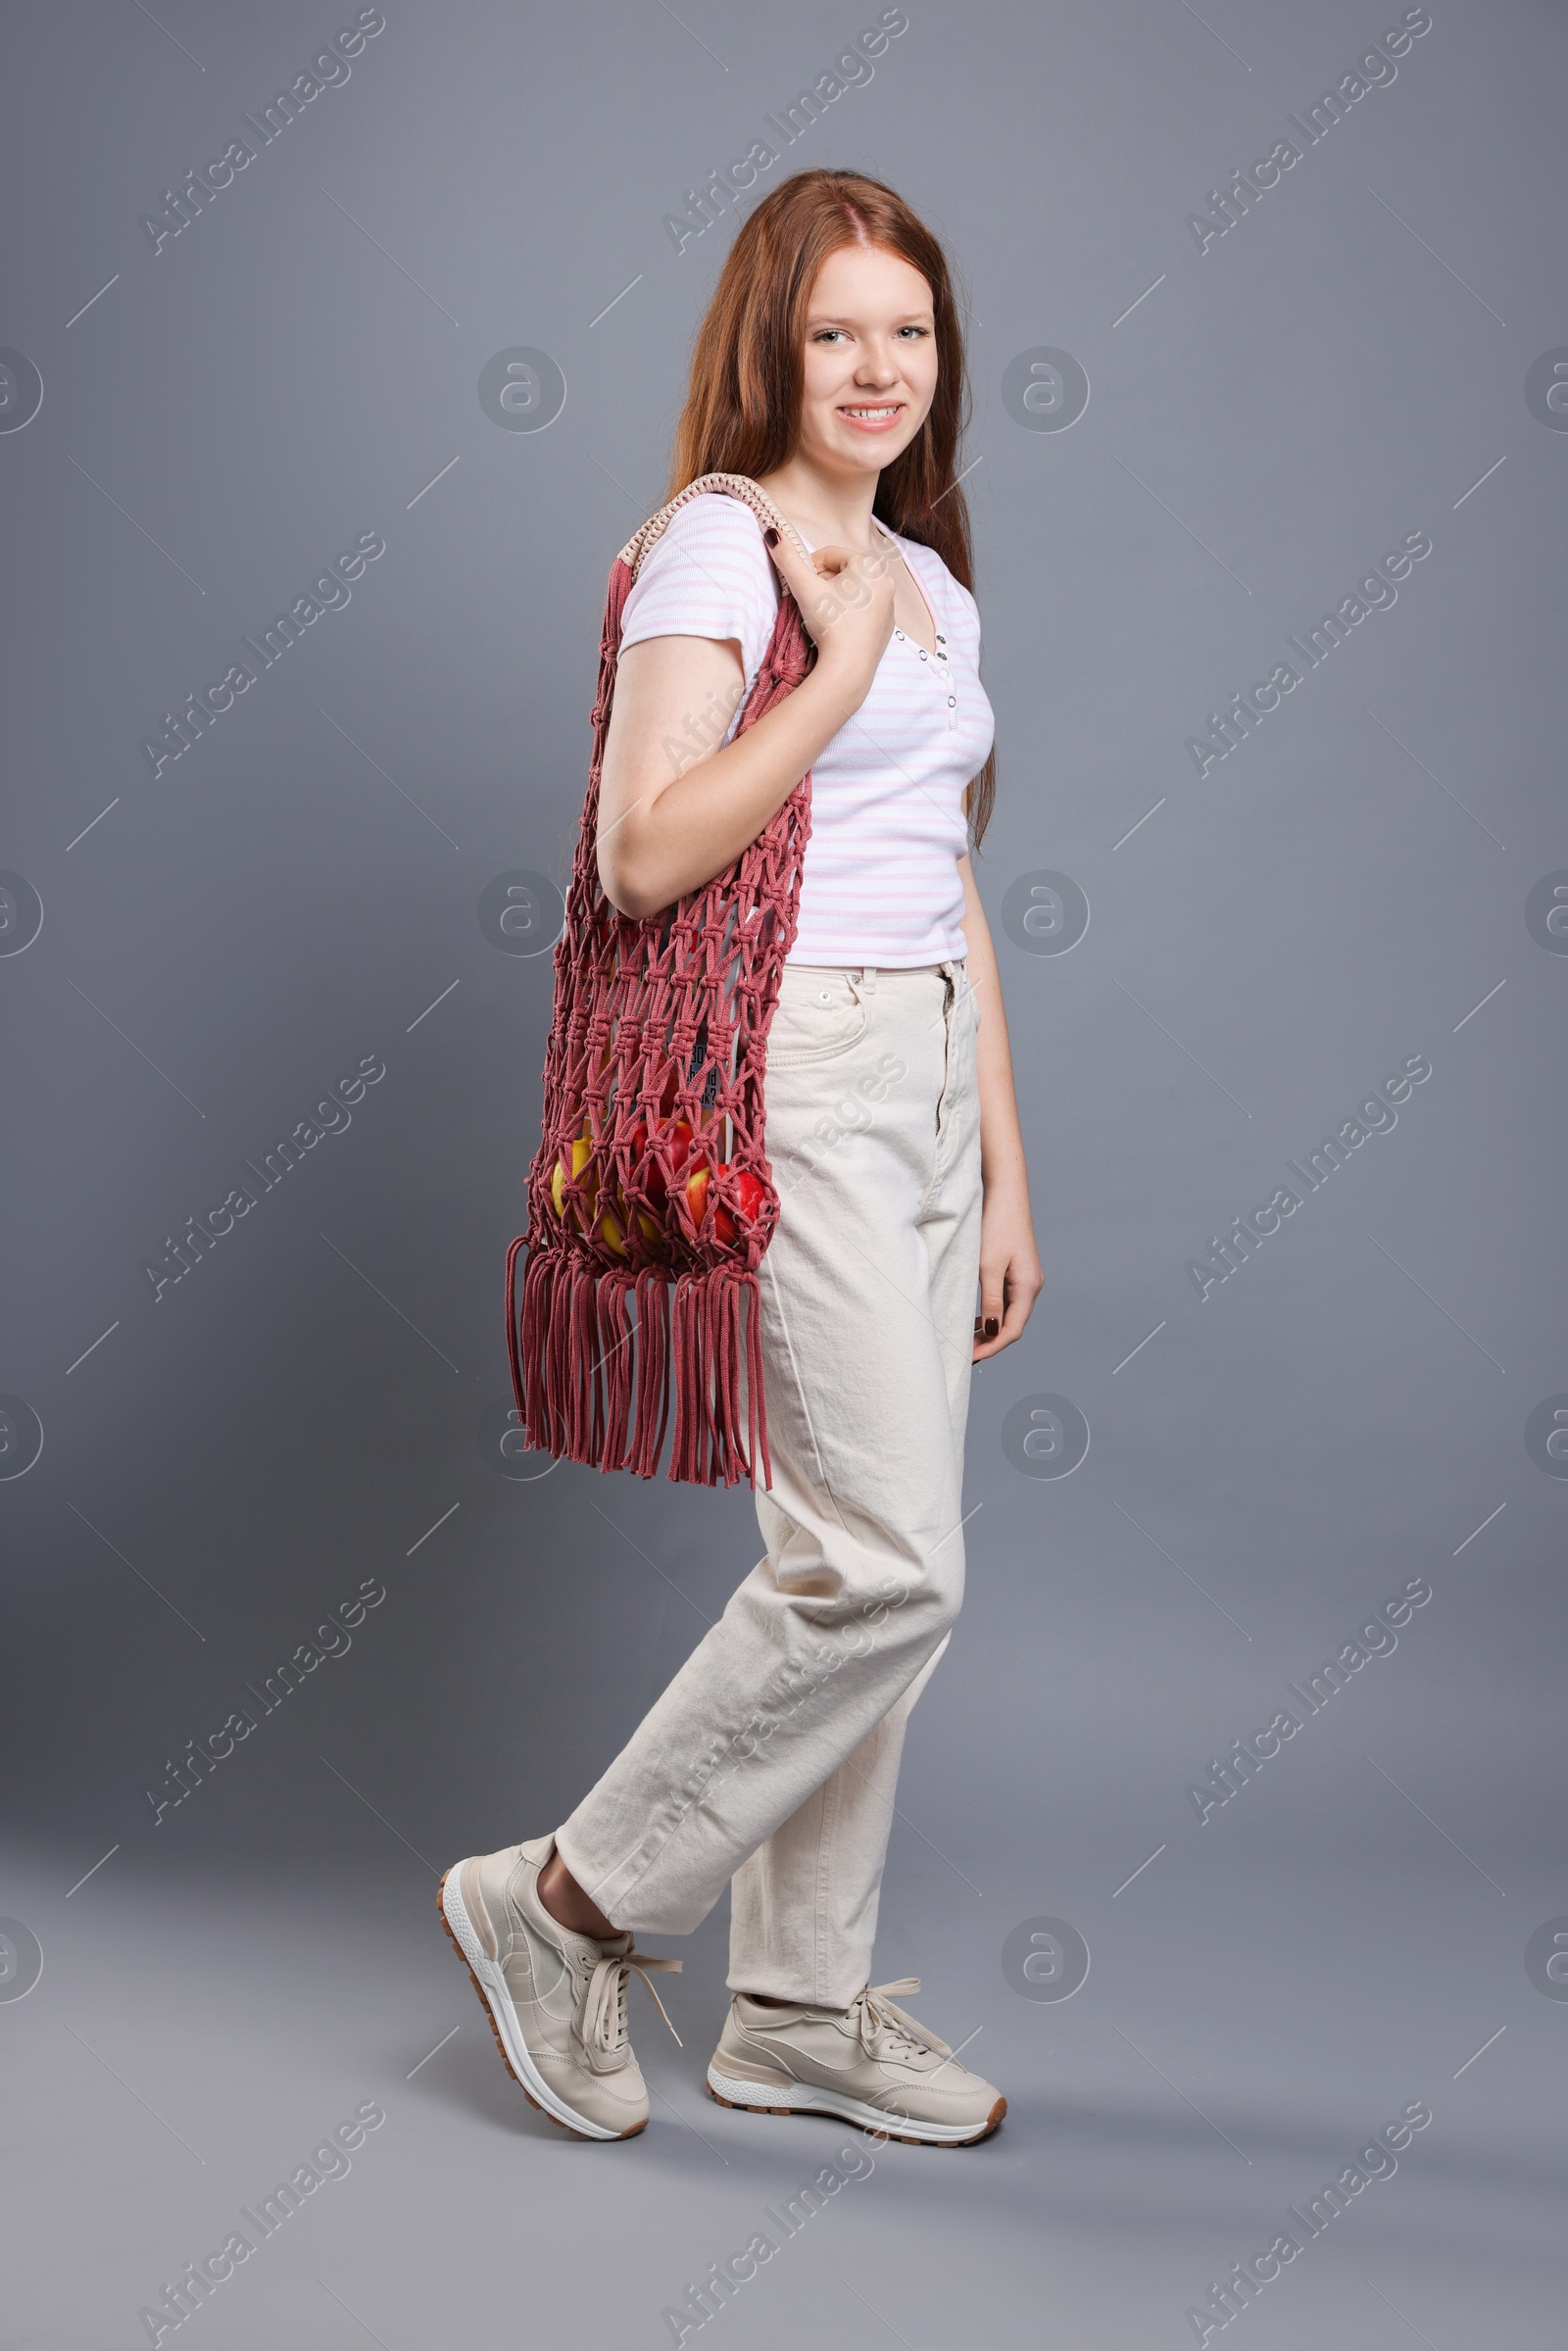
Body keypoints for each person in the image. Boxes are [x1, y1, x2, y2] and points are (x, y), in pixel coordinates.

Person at [441, 168, 1042, 2144]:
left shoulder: (922, 576)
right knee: (885, 1573)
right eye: (834, 332)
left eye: (909, 333)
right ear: (766, 349)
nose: (876, 368)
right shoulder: (727, 549)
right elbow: (640, 851)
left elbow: (941, 881)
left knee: (847, 1564)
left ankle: (791, 2008)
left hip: (922, 1072)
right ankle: (567, 1901)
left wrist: (1005, 1174)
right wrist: (839, 674)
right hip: (784, 1076)